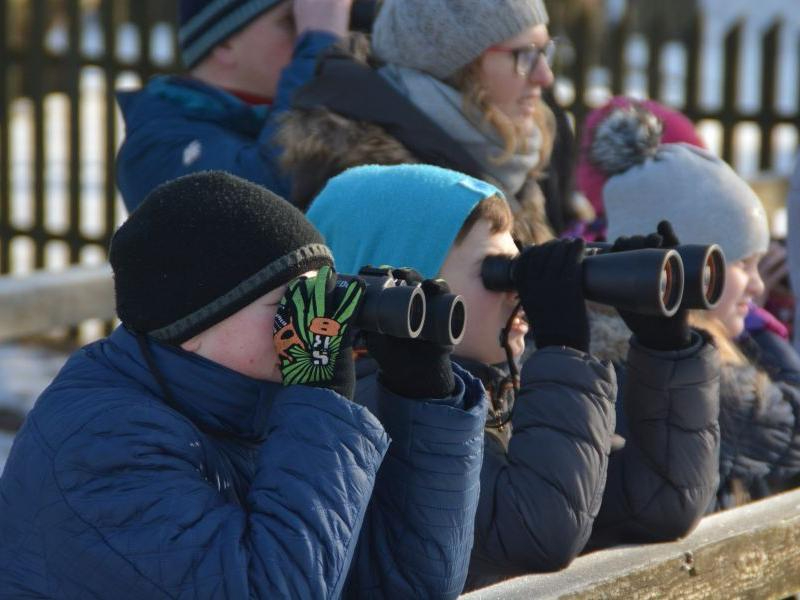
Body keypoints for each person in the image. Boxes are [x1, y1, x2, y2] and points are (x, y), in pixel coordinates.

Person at [0, 171, 487, 598]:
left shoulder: (246, 411)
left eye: (321, 296)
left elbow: (405, 586)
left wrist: (420, 392)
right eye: (290, 303)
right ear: (194, 325)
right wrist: (320, 404)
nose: (316, 322)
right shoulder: (102, 442)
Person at [306, 163, 721, 590]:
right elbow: (535, 534)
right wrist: (564, 353)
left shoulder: (495, 395)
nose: (519, 292)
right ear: (410, 283)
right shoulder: (380, 408)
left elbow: (659, 503)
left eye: (521, 270)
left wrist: (666, 347)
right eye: (496, 272)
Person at [590, 104, 800, 511]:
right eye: (744, 264)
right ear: (692, 270)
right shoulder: (709, 375)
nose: (758, 285)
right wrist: (761, 329)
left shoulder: (611, 340)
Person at [277, 0, 559, 245]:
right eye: (525, 55)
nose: (545, 76)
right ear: (458, 67)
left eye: (546, 51)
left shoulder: (511, 152)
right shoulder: (379, 187)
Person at [116, 0, 358, 212]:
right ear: (225, 45)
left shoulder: (318, 109)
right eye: (292, 21)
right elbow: (266, 207)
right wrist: (319, 49)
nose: (308, 34)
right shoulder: (156, 147)